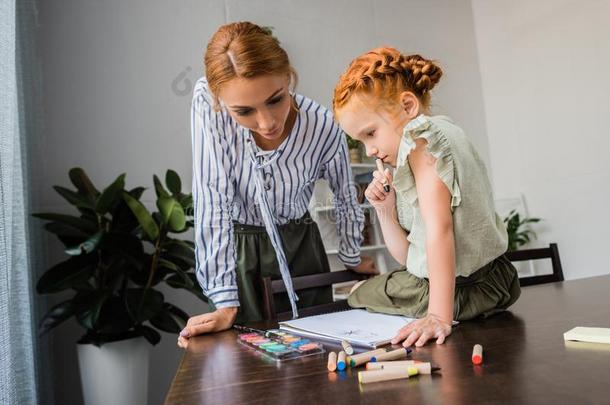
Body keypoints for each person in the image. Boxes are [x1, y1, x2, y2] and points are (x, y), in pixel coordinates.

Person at [178, 22, 376, 348]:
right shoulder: (208, 104)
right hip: (240, 249)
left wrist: (351, 255)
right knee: (253, 362)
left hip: (302, 247)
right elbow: (213, 195)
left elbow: (345, 194)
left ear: (288, 77)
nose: (267, 123)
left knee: (318, 357)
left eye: (275, 99)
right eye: (244, 111)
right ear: (220, 101)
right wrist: (225, 300)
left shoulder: (322, 124)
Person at [332, 47, 521, 348]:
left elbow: (439, 231)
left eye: (370, 133)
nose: (369, 150)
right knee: (385, 283)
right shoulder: (447, 131)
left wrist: (438, 315)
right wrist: (385, 209)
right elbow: (410, 256)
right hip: (498, 284)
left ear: (407, 106)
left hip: (458, 293)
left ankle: (369, 294)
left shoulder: (421, 140)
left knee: (360, 293)